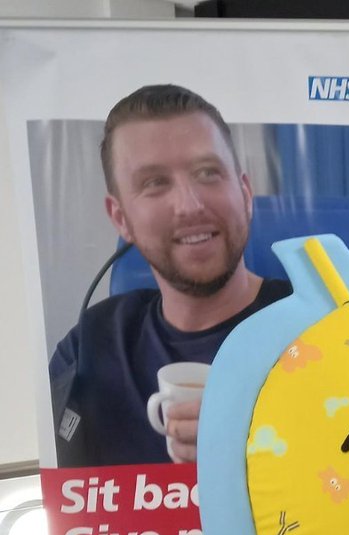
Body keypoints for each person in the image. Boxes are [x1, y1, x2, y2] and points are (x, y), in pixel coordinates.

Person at [49, 84, 292, 467]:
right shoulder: (90, 345)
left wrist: (260, 443)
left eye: (208, 172)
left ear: (245, 193)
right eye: (154, 183)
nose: (189, 205)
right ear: (120, 218)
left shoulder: (320, 327)